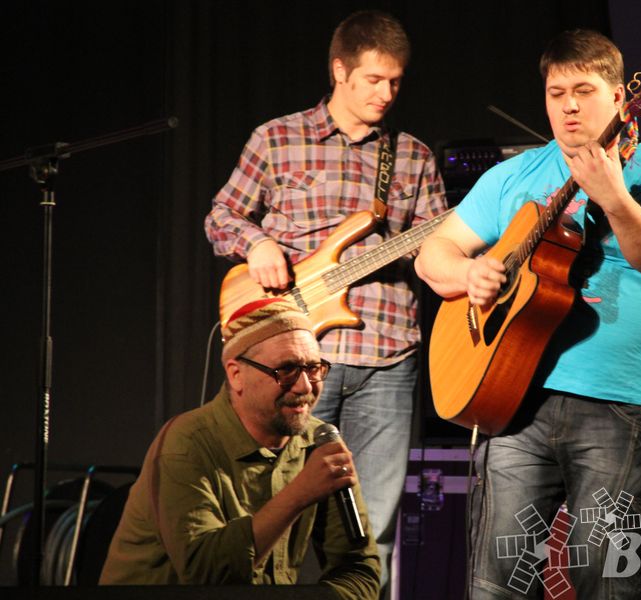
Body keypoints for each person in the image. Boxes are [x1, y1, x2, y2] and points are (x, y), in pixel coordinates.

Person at [415, 29, 641, 599]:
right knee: (496, 584)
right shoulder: (512, 176)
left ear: (624, 97)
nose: (568, 105)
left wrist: (615, 197)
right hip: (514, 398)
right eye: (555, 93)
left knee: (606, 583)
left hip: (620, 403)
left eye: (584, 90)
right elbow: (432, 254)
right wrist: (469, 274)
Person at [203, 10, 446, 591]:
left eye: (395, 82)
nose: (386, 94)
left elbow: (439, 245)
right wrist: (257, 241)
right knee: (268, 512)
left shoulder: (411, 156)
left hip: (387, 360)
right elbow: (221, 215)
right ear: (340, 71)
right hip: (290, 357)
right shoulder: (277, 138)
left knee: (372, 527)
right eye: (372, 81)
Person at [99, 298, 380, 597]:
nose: (305, 387)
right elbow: (206, 574)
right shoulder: (186, 443)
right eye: (286, 370)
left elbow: (359, 569)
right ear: (236, 375)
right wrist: (298, 495)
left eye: (313, 368)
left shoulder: (318, 441)